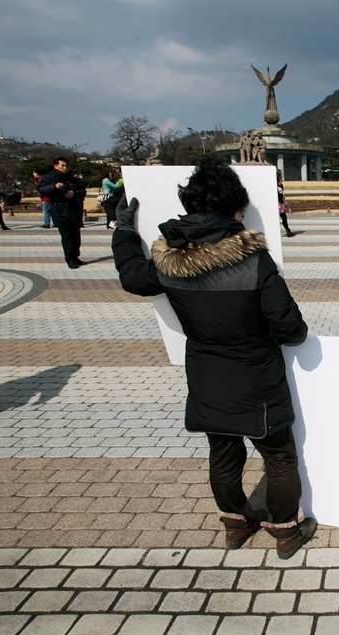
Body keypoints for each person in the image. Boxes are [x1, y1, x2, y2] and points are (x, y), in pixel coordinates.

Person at [111, 155, 316, 558]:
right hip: (257, 377)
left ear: (189, 206)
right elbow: (292, 329)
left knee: (223, 454)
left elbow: (133, 276)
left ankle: (236, 525)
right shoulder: (254, 261)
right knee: (278, 455)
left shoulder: (168, 260)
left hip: (206, 374)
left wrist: (122, 229)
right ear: (236, 210)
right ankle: (286, 532)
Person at [38, 157, 87, 268]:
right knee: (67, 237)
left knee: (76, 237)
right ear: (55, 166)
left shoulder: (71, 177)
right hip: (60, 211)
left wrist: (74, 193)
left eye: (66, 166)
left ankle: (75, 256)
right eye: (62, 166)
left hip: (74, 210)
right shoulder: (50, 178)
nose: (65, 168)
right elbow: (42, 189)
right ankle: (69, 259)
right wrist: (54, 187)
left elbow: (82, 190)